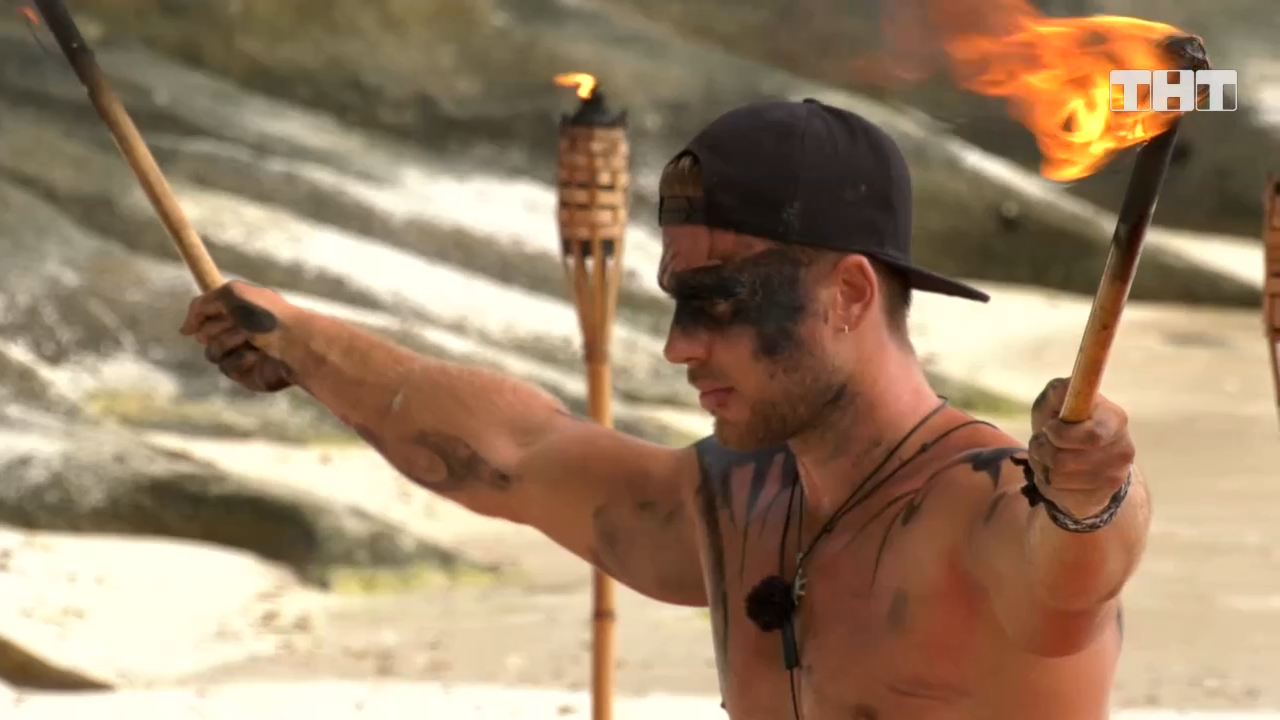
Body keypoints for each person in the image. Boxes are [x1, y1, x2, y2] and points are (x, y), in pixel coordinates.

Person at [181, 98, 1148, 720]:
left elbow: (1074, 569)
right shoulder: (735, 506)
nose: (680, 347)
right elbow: (520, 451)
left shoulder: (980, 507)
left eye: (721, 304)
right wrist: (299, 339)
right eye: (680, 304)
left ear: (849, 294)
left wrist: (1093, 490)